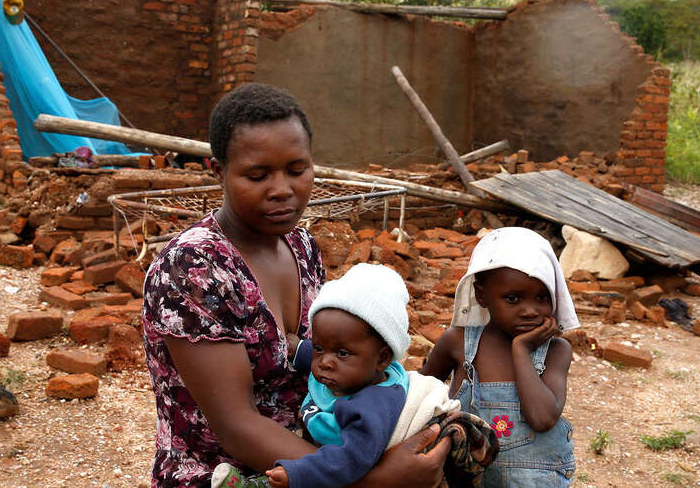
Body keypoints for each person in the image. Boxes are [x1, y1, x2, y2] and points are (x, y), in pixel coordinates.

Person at [141, 83, 450, 487]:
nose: (282, 190)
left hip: (321, 455)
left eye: (297, 170)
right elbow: (235, 425)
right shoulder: (195, 270)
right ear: (218, 172)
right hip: (231, 474)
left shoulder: (301, 246)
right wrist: (370, 479)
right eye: (258, 175)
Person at [211, 263, 459, 488]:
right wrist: (298, 348)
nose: (325, 362)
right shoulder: (351, 369)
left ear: (382, 359)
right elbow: (322, 353)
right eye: (320, 347)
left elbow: (350, 460)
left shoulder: (372, 405)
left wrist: (297, 473)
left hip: (342, 462)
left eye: (341, 352)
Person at [421, 227, 580, 486]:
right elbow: (419, 396)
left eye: (541, 297)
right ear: (481, 295)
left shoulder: (556, 350)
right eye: (513, 298)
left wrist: (521, 350)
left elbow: (542, 418)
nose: (530, 311)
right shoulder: (459, 342)